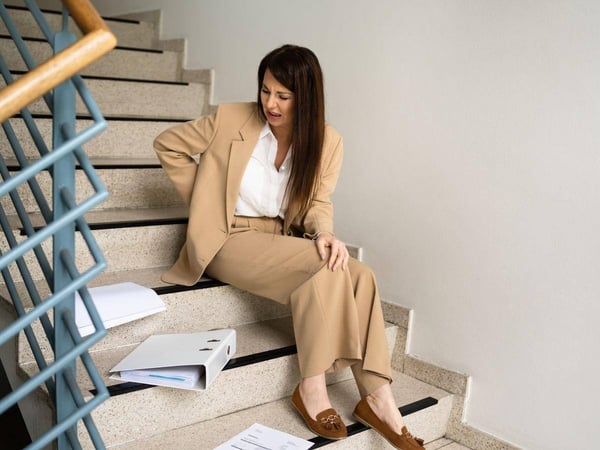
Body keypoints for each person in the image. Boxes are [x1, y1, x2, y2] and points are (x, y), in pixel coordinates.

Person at [154, 44, 425, 450]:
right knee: (325, 269)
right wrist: (206, 201)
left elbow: (317, 202)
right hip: (230, 237)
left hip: (282, 238)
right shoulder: (230, 118)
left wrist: (324, 233)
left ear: (306, 97)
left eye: (283, 95)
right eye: (265, 91)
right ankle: (312, 387)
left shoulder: (327, 141)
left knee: (360, 272)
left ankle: (378, 398)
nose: (270, 103)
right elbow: (167, 144)